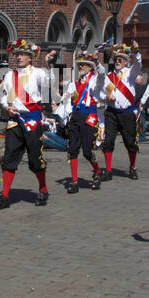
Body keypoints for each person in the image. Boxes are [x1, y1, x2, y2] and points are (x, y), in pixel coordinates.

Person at [0, 39, 56, 208]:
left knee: (35, 158)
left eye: (22, 54)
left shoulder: (37, 73)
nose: (18, 57)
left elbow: (49, 82)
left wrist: (49, 63)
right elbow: (2, 97)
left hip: (32, 120)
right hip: (15, 121)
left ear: (30, 57)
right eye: (17, 54)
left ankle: (43, 188)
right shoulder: (9, 75)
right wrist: (7, 107)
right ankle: (5, 196)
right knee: (9, 158)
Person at [56, 50, 104, 193]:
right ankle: (74, 181)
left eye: (84, 65)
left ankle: (97, 172)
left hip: (89, 117)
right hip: (76, 117)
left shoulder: (95, 81)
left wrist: (97, 63)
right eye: (80, 65)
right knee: (73, 150)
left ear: (90, 68)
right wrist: (61, 112)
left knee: (88, 151)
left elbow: (102, 76)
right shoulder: (73, 84)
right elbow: (65, 100)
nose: (81, 67)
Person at [99, 42, 146, 179]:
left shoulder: (131, 73)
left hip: (127, 113)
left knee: (130, 142)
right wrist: (106, 96)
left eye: (120, 59)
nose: (117, 61)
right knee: (108, 141)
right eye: (116, 59)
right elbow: (102, 89)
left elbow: (138, 64)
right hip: (111, 113)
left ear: (126, 61)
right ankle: (108, 171)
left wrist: (136, 51)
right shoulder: (109, 76)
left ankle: (132, 167)